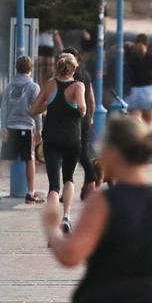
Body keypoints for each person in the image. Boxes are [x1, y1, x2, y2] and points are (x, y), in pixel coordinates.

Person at [42, 117, 152, 303]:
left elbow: (71, 255)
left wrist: (51, 228)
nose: (100, 154)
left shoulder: (103, 202)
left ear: (115, 152)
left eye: (102, 147)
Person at [32, 53, 86, 234]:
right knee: (68, 178)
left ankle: (52, 227)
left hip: (52, 138)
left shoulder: (49, 85)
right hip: (72, 138)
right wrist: (76, 109)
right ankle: (66, 217)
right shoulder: (78, 86)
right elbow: (82, 108)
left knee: (53, 186)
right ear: (74, 68)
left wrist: (50, 104)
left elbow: (33, 109)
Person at [0, 56, 44, 204]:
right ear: (31, 69)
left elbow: (4, 108)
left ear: (17, 68)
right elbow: (36, 108)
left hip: (10, 127)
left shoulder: (9, 86)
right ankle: (30, 192)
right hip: (26, 127)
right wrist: (39, 128)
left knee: (5, 160)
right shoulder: (33, 86)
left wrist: (3, 127)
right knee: (29, 160)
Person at [60, 48, 98, 201]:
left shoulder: (67, 76)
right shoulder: (85, 74)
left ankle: (88, 183)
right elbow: (92, 99)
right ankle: (90, 186)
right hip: (84, 118)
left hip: (71, 120)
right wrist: (91, 117)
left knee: (70, 155)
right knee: (81, 154)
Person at [125, 33, 152, 131]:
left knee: (134, 118)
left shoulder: (131, 57)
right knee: (149, 120)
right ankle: (146, 139)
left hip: (135, 90)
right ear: (148, 44)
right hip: (149, 90)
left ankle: (136, 136)